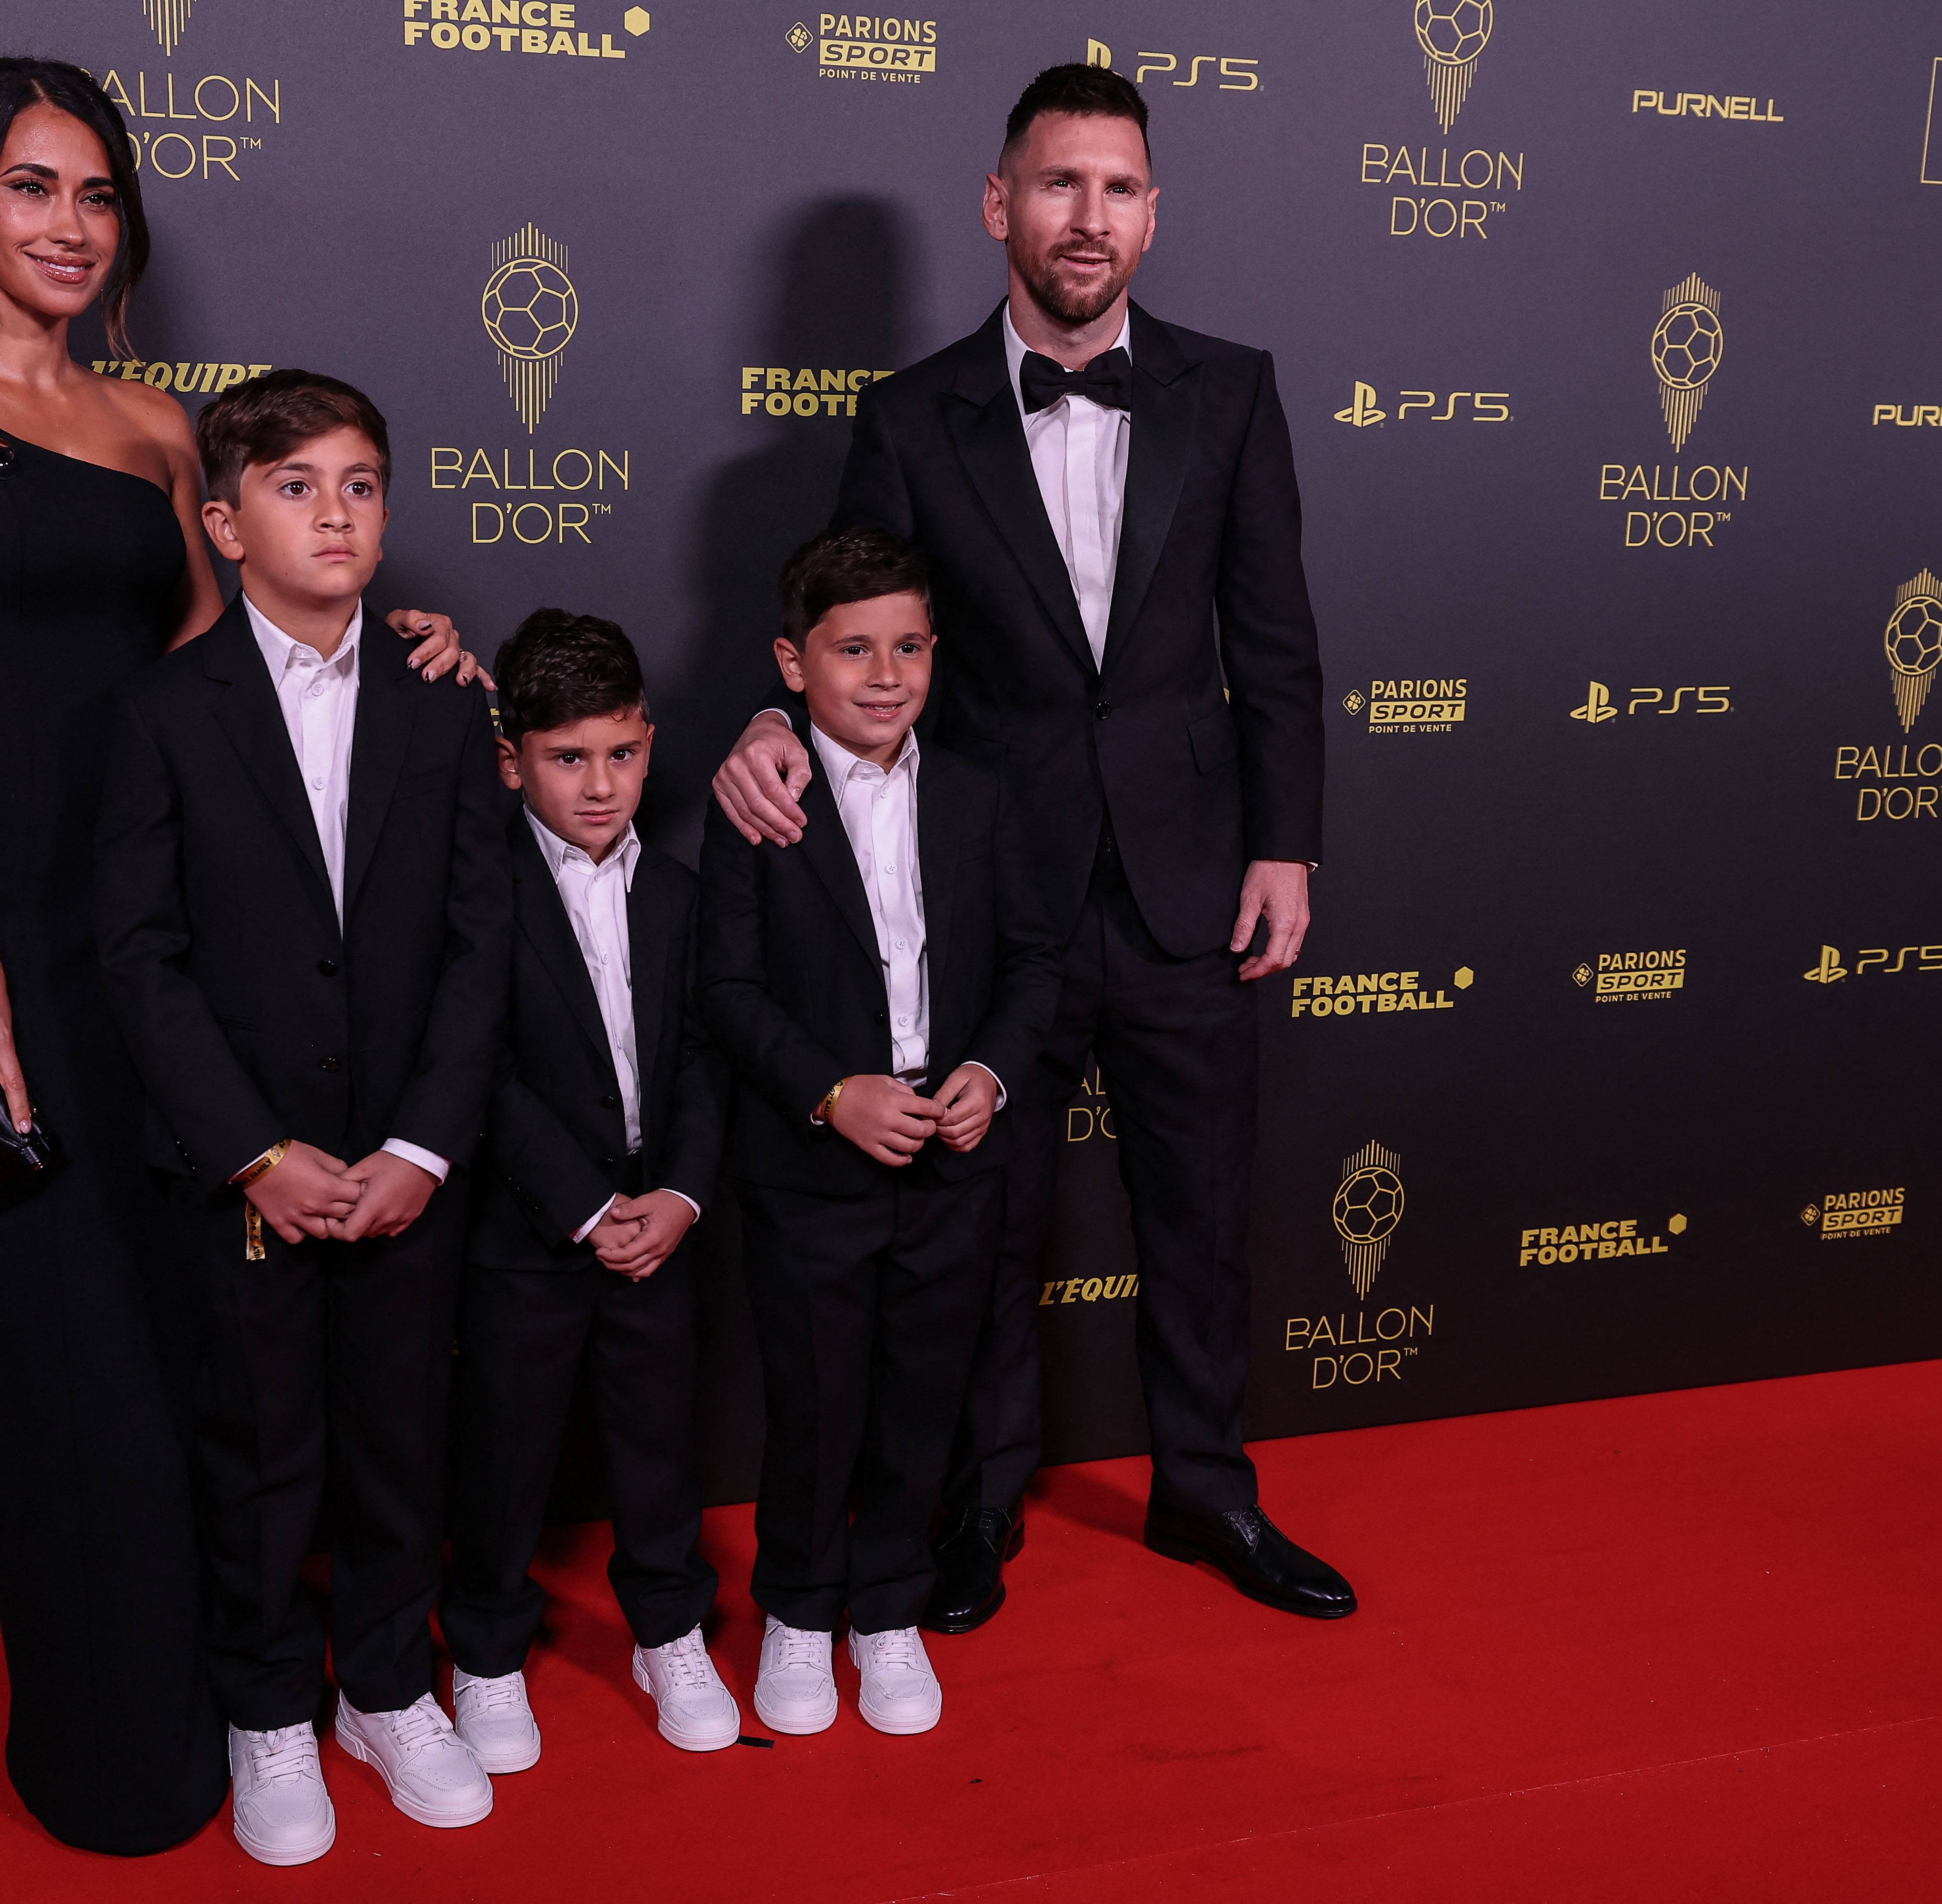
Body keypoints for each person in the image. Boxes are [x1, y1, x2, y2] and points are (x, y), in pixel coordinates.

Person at [0, 58, 473, 1855]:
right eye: (31, 189)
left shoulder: (171, 431)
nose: (70, 227)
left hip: (164, 938)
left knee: (213, 1336)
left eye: (98, 196)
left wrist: (387, 636)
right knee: (69, 1352)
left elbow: (229, 693)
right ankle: (115, 1751)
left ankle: (257, 1698)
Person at [707, 64, 1351, 1635]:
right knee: (977, 1221)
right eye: (1060, 184)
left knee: (1201, 1211)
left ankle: (1209, 1491)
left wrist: (1288, 845)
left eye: (1120, 188)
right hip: (990, 896)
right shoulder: (908, 415)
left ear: (1152, 213)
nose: (1090, 217)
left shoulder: (1234, 388)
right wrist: (766, 721)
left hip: (1191, 874)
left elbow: (1273, 641)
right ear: (1001, 204)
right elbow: (855, 625)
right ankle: (971, 1511)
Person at [94, 369, 511, 1868]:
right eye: (293, 487)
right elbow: (138, 957)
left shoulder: (448, 704)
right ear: (223, 522)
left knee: (402, 1435)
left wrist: (420, 1149)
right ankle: (268, 1703)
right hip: (244, 1174)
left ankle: (387, 1687)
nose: (333, 514)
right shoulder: (160, 713)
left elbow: (484, 946)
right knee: (260, 1444)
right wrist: (257, 1154)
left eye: (359, 485)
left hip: (409, 1164)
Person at [698, 528, 1060, 1738]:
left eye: (909, 646)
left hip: (954, 1155)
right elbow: (729, 992)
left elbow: (1030, 962)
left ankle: (889, 1605)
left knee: (924, 1396)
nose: (887, 673)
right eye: (855, 649)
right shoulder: (761, 795)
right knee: (815, 1403)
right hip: (813, 1164)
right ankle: (799, 1610)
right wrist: (827, 1090)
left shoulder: (979, 793)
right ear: (792, 664)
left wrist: (993, 1071)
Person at [438, 611, 740, 1773]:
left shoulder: (679, 891)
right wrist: (578, 1201)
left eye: (620, 753)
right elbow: (482, 1065)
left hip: (659, 1220)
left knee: (660, 1439)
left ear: (651, 746)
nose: (600, 783)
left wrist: (682, 1196)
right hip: (527, 1231)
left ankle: (670, 1629)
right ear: (513, 758)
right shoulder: (479, 890)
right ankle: (488, 1649)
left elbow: (707, 1056)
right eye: (568, 758)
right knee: (505, 1449)